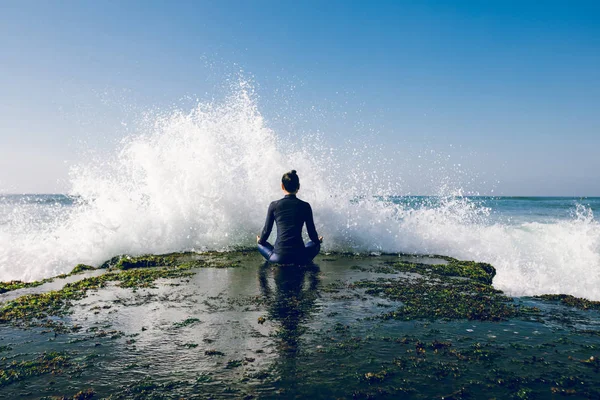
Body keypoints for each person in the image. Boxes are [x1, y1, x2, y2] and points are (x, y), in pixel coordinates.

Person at [257, 170, 323, 264]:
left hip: (278, 258)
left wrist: (260, 241)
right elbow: (312, 233)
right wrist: (317, 241)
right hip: (300, 258)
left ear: (282, 186)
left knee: (261, 244)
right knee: (315, 244)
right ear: (298, 186)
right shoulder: (305, 206)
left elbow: (266, 231)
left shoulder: (274, 205)